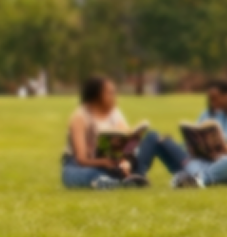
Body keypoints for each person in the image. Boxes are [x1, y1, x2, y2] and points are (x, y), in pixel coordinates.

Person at [59, 76, 197, 189]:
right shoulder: (80, 117)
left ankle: (181, 176)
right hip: (87, 164)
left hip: (117, 164)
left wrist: (125, 162)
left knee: (153, 137)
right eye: (110, 93)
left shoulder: (114, 113)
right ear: (97, 96)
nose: (114, 96)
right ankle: (114, 182)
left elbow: (127, 143)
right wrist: (105, 162)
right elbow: (81, 159)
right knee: (77, 175)